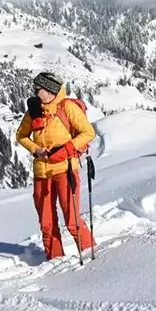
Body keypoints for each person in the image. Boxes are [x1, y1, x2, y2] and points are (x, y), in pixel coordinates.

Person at [16, 72, 96, 260]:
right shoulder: (34, 110)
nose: (34, 93)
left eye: (38, 90)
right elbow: (21, 136)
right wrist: (36, 149)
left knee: (72, 220)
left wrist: (67, 149)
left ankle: (92, 259)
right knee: (46, 224)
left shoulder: (66, 107)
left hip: (65, 169)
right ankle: (55, 263)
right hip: (41, 173)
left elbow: (88, 132)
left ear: (50, 90)